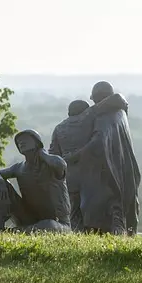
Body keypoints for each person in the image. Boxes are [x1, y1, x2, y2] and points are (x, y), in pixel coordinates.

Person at [62, 81, 141, 235]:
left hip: (110, 171)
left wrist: (74, 156)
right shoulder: (120, 112)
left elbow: (98, 142)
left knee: (110, 211)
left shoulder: (105, 116)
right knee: (123, 209)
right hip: (124, 168)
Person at [0, 129, 71, 234]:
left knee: (48, 226)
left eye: (25, 139)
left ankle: (16, 232)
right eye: (18, 141)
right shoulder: (19, 168)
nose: (21, 142)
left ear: (37, 142)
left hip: (57, 222)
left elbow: (61, 165)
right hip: (29, 219)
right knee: (0, 183)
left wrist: (42, 154)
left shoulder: (50, 165)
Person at [49, 99, 91, 231]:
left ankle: (76, 237)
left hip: (68, 176)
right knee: (90, 210)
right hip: (90, 175)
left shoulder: (59, 128)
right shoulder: (90, 125)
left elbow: (53, 155)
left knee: (73, 211)